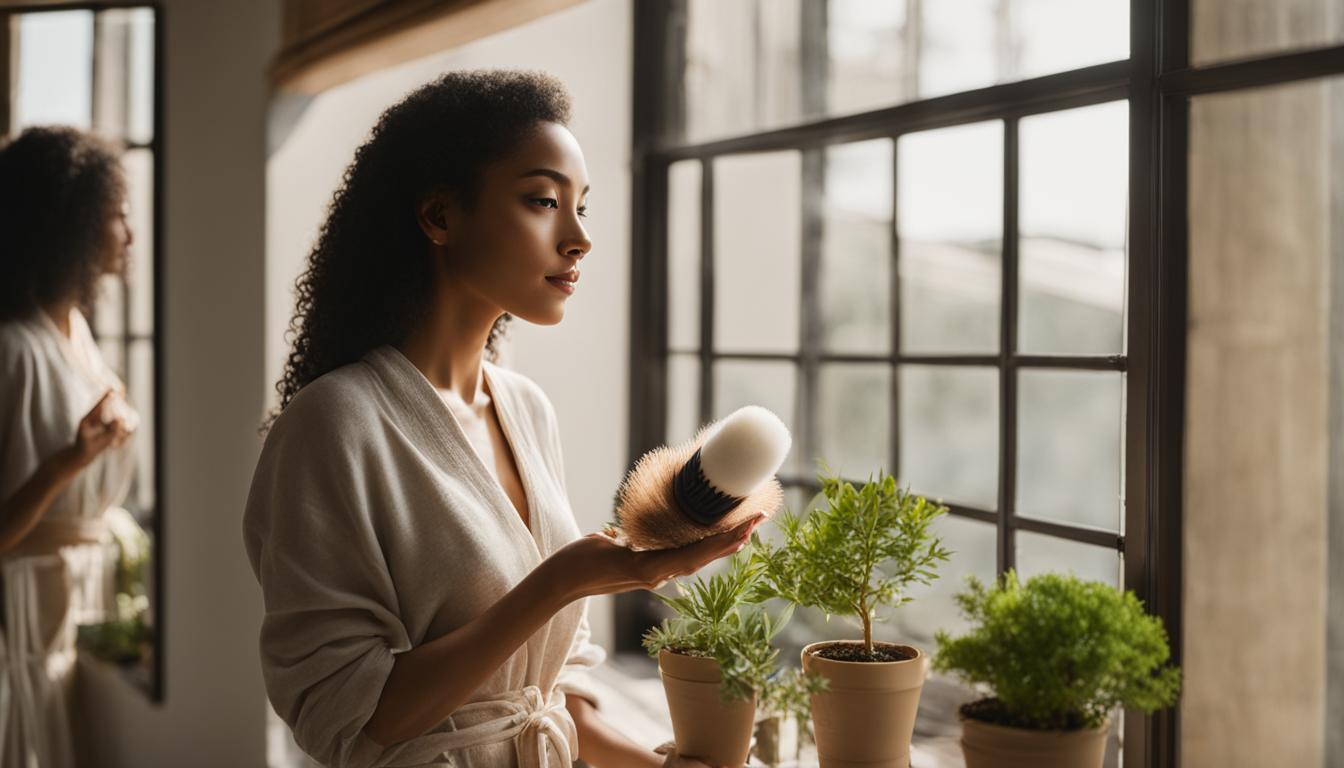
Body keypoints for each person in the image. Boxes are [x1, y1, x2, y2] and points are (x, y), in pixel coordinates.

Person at [244, 70, 761, 768]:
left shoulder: (526, 409)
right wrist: (562, 581)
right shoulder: (333, 424)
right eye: (544, 201)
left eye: (582, 207)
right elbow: (353, 717)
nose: (578, 238)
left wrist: (663, 766)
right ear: (440, 217)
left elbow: (548, 704)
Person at [0, 126, 139, 767]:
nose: (130, 234)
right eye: (117, 216)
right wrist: (69, 462)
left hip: (81, 605)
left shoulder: (76, 332)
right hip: (20, 615)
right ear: (73, 224)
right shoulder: (14, 351)